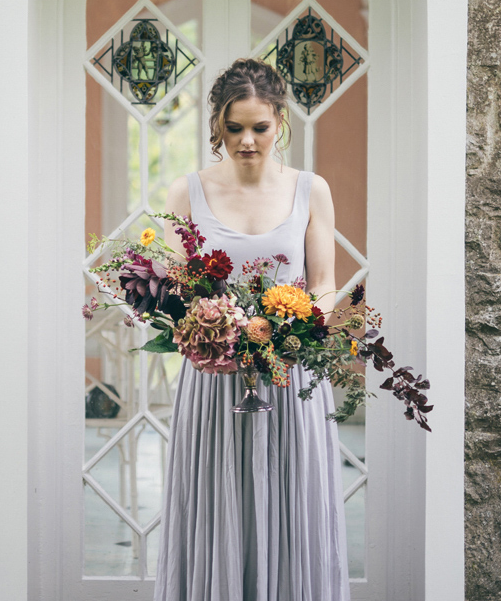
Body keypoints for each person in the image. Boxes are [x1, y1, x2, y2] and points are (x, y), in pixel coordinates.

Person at [152, 58, 350, 601]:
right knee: (219, 506)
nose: (246, 141)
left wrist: (300, 327)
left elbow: (326, 282)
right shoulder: (184, 193)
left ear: (279, 123)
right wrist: (216, 329)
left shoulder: (312, 190)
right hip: (216, 383)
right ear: (216, 124)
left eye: (259, 128)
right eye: (234, 127)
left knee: (293, 505)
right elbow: (179, 295)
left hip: (290, 378)